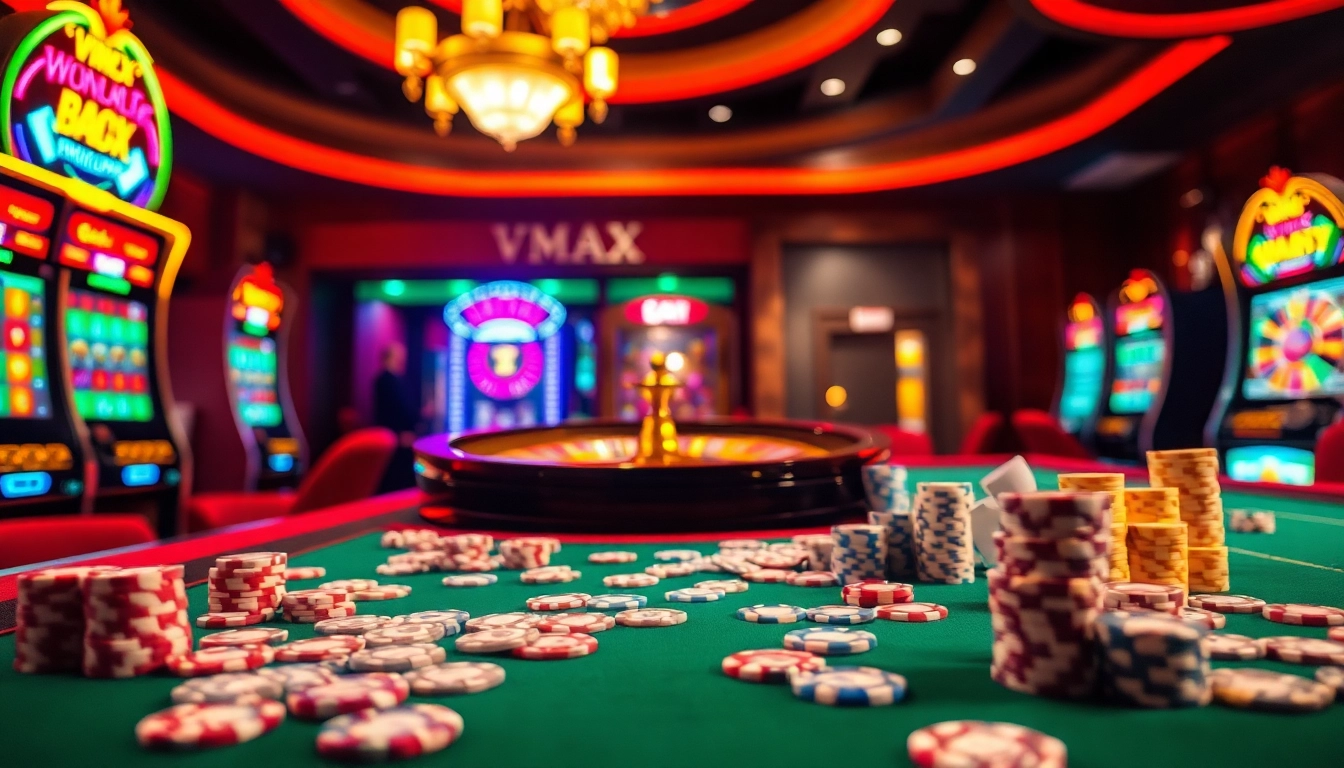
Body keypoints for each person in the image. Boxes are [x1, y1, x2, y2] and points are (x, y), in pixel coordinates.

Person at [373, 342, 417, 490]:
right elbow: (390, 411)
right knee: (395, 480)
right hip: (395, 436)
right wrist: (398, 435)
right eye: (400, 355)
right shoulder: (385, 380)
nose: (403, 358)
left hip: (399, 435)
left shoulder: (395, 379)